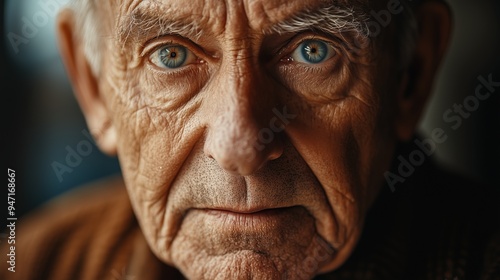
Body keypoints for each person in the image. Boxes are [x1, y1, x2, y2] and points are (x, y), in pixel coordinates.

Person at [1, 0, 499, 279]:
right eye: (170, 56)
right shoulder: (31, 264)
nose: (241, 147)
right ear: (92, 86)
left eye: (312, 51)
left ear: (410, 74)